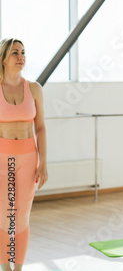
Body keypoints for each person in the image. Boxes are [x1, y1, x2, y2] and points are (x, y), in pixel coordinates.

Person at [0, 38, 48, 271]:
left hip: (29, 158)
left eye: (23, 53)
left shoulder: (35, 88)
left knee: (21, 216)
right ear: (3, 59)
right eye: (14, 53)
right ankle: (4, 267)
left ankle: (17, 268)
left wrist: (44, 162)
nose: (21, 57)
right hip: (2, 158)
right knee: (3, 216)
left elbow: (40, 127)